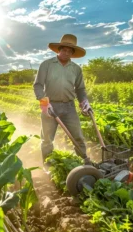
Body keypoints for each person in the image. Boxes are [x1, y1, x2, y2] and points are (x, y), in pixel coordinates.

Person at [33, 34, 93, 170]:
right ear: (58, 50)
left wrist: (84, 101)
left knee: (78, 137)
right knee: (47, 140)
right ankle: (48, 168)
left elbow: (80, 89)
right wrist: (43, 103)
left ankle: (84, 164)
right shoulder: (46, 65)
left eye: (69, 51)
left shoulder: (76, 69)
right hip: (50, 106)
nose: (66, 53)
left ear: (72, 53)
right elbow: (37, 85)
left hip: (69, 107)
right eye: (64, 50)